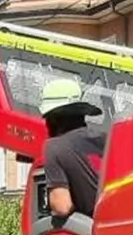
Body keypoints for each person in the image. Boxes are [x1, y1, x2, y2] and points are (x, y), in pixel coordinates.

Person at [38, 78, 106, 220]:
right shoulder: (108, 139)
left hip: (94, 233)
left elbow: (62, 206)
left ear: (53, 119)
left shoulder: (54, 147)